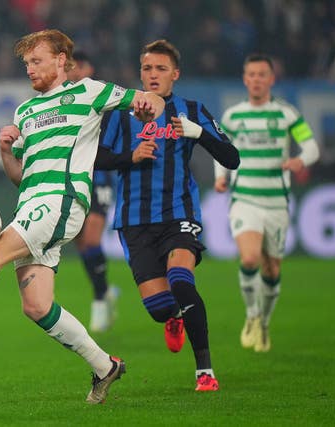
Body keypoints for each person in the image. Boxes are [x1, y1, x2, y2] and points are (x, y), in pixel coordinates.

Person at [0, 29, 165, 404]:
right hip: (32, 202)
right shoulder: (25, 111)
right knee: (36, 306)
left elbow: (149, 99)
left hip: (62, 199)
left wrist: (150, 105)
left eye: (37, 61)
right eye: (27, 64)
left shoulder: (87, 92)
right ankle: (106, 366)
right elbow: (21, 176)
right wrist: (6, 151)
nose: (30, 69)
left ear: (60, 60)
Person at [95, 39, 240, 392]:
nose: (153, 74)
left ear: (175, 74)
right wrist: (129, 157)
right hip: (133, 220)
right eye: (147, 68)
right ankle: (173, 317)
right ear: (140, 73)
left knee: (180, 279)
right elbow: (94, 157)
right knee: (160, 306)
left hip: (178, 213)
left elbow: (232, 158)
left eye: (161, 68)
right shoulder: (120, 114)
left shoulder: (190, 109)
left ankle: (204, 371)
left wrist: (199, 132)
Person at [215, 53, 319, 353]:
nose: (257, 79)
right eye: (252, 74)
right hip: (245, 198)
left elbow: (311, 145)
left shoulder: (286, 114)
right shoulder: (234, 116)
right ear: (245, 79)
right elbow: (222, 150)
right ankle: (251, 315)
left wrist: (300, 159)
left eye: (262, 74)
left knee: (272, 270)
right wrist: (221, 177)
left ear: (271, 79)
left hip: (276, 203)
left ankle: (265, 322)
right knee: (250, 259)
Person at [66, 51, 120, 333]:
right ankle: (105, 289)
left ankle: (100, 300)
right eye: (70, 67)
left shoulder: (102, 98)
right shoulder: (64, 101)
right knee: (80, 242)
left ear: (90, 68)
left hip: (99, 177)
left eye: (80, 67)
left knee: (91, 238)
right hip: (74, 179)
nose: (75, 72)